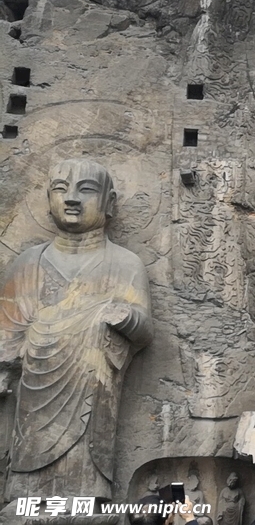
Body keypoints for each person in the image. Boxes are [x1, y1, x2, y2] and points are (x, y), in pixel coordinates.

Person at [0, 158, 152, 500]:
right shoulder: (28, 262)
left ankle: (89, 500)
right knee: (27, 456)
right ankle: (23, 499)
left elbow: (144, 332)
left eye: (86, 190)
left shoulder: (125, 263)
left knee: (85, 468)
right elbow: (7, 333)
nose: (71, 198)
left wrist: (121, 316)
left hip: (93, 387)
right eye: (60, 189)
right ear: (48, 199)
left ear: (109, 202)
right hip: (35, 389)